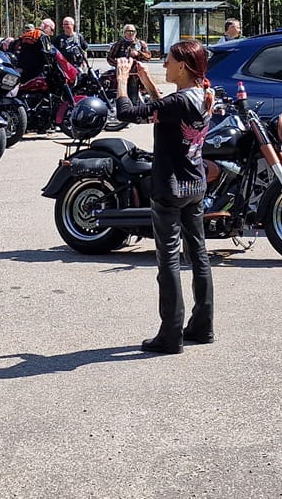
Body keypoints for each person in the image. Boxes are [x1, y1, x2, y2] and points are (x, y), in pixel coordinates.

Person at [111, 40, 215, 355]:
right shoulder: (202, 95)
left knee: (168, 259)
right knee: (198, 255)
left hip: (170, 188)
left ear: (182, 66)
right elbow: (167, 112)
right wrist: (146, 81)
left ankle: (170, 334)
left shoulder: (179, 101)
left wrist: (122, 80)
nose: (165, 65)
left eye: (168, 61)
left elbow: (126, 112)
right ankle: (202, 326)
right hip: (195, 186)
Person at [108, 24, 152, 102]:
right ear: (124, 32)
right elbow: (109, 58)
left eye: (133, 31)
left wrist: (138, 53)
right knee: (122, 96)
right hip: (121, 74)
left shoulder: (141, 43)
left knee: (134, 98)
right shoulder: (118, 44)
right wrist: (120, 63)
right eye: (128, 31)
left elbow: (148, 57)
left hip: (137, 75)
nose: (131, 33)